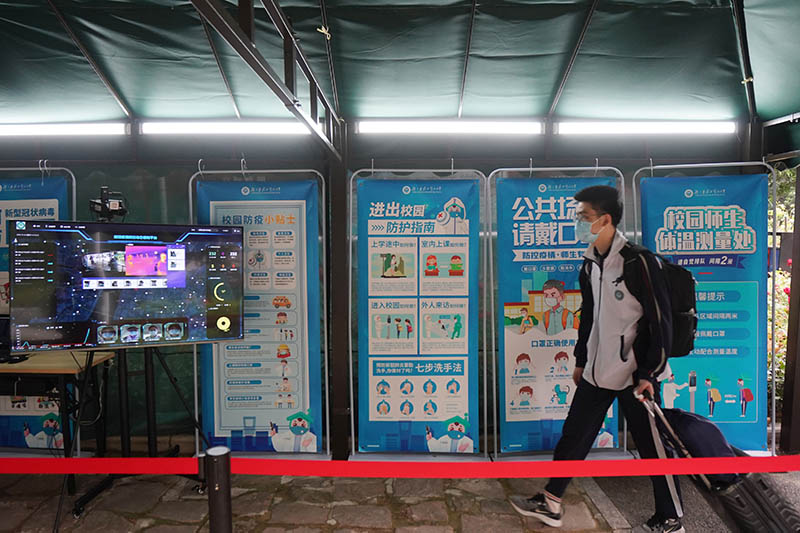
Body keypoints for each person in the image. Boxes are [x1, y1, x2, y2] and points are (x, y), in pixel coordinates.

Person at [509, 185, 684, 533]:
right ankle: (551, 501)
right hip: (595, 370)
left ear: (605, 220)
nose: (577, 222)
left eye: (583, 216)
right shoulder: (589, 264)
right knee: (574, 435)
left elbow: (661, 321)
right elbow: (588, 316)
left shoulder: (638, 262)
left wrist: (649, 372)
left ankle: (671, 518)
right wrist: (580, 359)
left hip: (635, 374)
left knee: (652, 447)